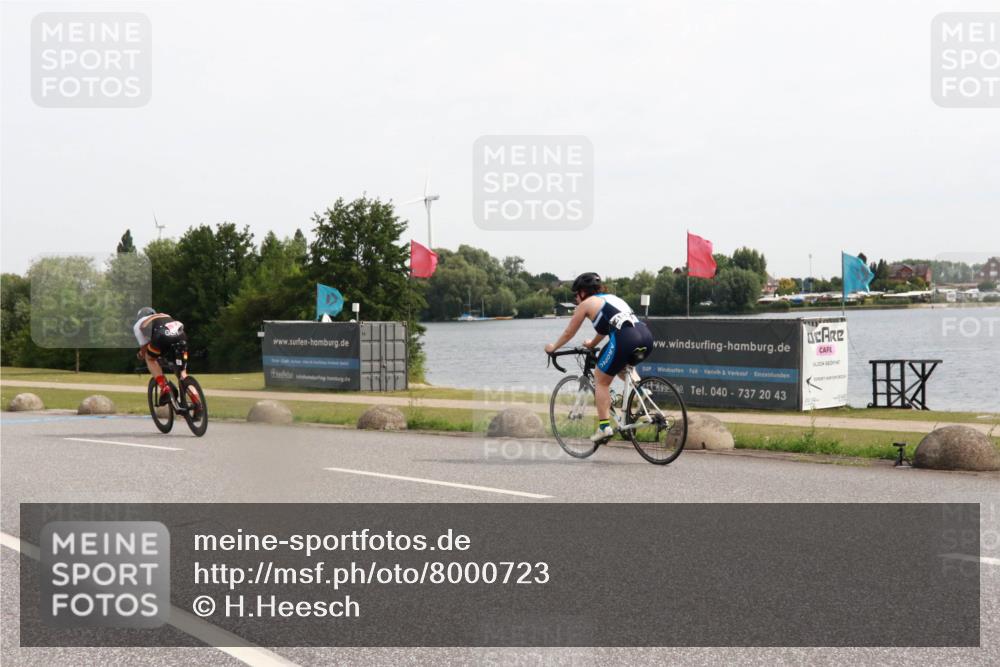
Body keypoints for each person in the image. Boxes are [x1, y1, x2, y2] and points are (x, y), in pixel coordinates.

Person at [544, 272, 654, 443]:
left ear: (582, 292)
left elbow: (569, 332)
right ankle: (642, 391)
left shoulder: (586, 304)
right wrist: (592, 343)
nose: (576, 299)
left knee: (601, 380)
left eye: (576, 294)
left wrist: (553, 347)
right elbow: (605, 329)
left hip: (625, 338)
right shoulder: (611, 298)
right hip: (645, 335)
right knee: (621, 366)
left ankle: (604, 427)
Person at [133, 307, 187, 405]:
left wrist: (141, 355)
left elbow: (144, 347)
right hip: (181, 335)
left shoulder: (139, 323)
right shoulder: (164, 315)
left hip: (161, 336)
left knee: (150, 359)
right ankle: (198, 403)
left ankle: (164, 387)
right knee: (182, 373)